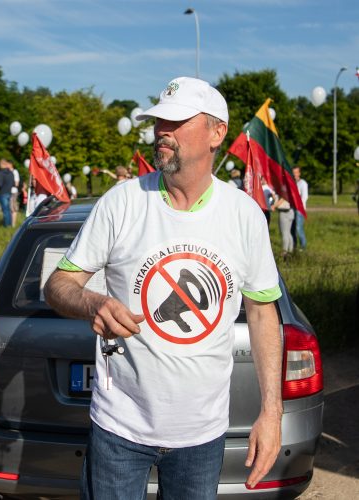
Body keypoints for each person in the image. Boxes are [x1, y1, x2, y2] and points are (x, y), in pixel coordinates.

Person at [44, 77, 283, 499]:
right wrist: (91, 302)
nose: (161, 132)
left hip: (202, 436)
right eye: (158, 122)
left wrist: (272, 413)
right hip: (119, 428)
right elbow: (59, 284)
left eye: (176, 121)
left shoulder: (245, 215)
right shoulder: (122, 202)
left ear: (216, 132)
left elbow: (263, 312)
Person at [291, 166, 308, 250]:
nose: (295, 175)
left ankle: (303, 247)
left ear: (299, 173)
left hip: (300, 210)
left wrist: (297, 204)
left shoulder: (303, 183)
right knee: (292, 228)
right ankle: (294, 246)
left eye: (296, 172)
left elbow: (304, 197)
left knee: (298, 228)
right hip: (292, 209)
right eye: (293, 173)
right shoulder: (292, 183)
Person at [274, 194, 294, 259]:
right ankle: (290, 250)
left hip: (284, 212)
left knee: (285, 233)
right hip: (291, 211)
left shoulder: (283, 188)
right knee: (288, 233)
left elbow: (283, 198)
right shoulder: (289, 188)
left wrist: (274, 206)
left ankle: (284, 252)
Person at [0, 159, 15, 227]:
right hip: (9, 192)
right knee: (8, 209)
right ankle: (10, 224)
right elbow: (13, 183)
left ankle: (6, 225)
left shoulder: (1, 173)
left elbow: (0, 184)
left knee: (5, 210)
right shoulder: (11, 172)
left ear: (2, 164)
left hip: (3, 192)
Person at [10, 162, 21, 227]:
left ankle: (13, 224)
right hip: (9, 192)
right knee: (10, 208)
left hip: (13, 191)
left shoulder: (15, 171)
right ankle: (11, 223)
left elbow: (16, 183)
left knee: (13, 208)